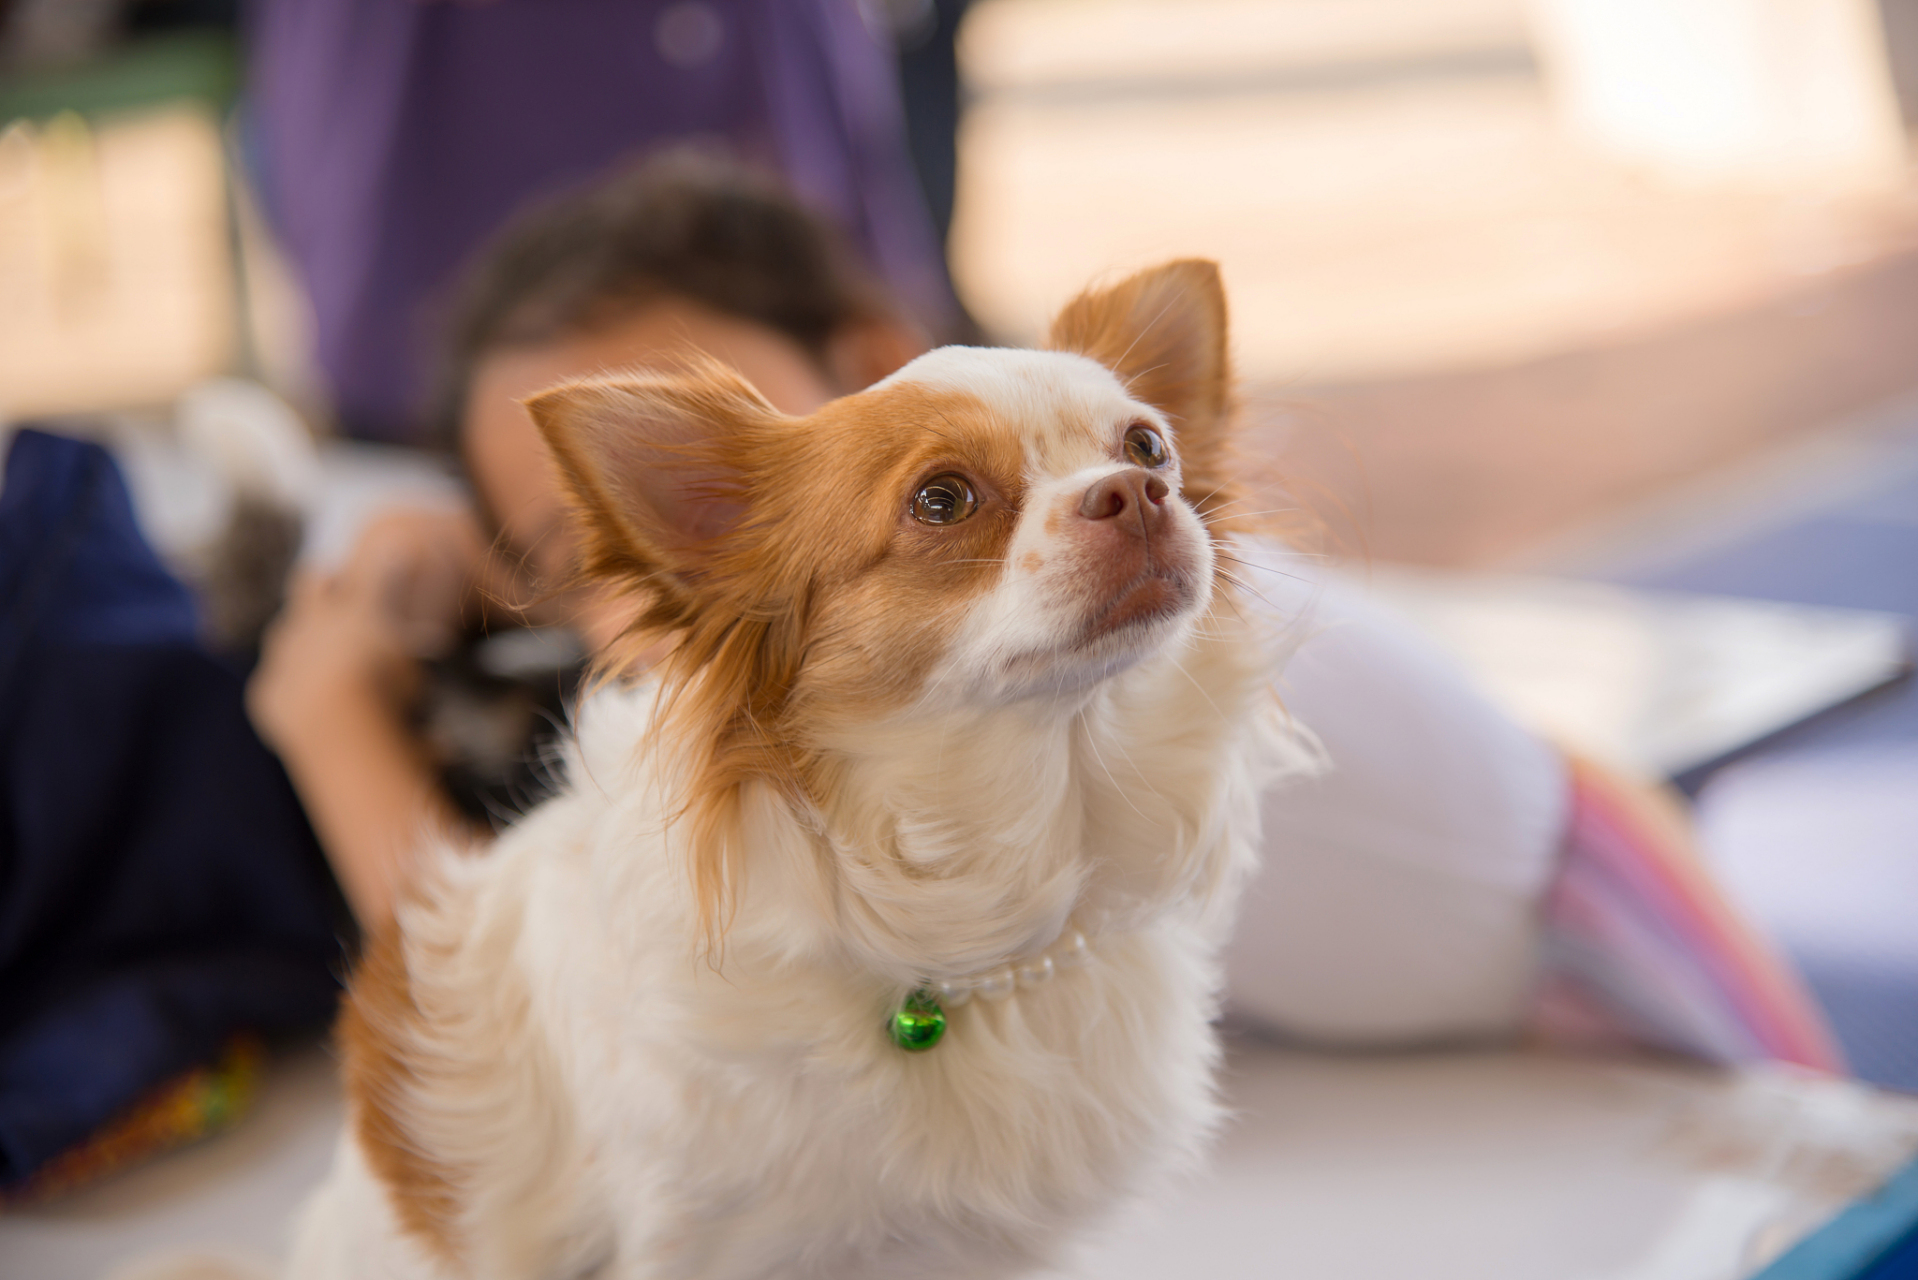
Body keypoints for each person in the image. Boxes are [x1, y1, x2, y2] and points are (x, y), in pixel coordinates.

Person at [247, 154, 1844, 1073]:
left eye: (732, 501)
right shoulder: (916, 664)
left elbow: (523, 1017)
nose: (679, 579)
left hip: (1586, 982)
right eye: (598, 542)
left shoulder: (1104, 620)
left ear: (883, 355)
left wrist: (327, 721)